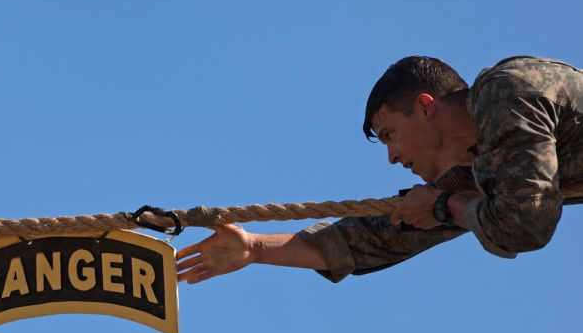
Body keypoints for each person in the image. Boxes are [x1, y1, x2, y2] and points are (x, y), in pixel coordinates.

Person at [176, 56, 583, 284]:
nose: (391, 157)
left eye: (390, 134)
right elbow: (367, 239)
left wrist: (444, 207)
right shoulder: (473, 178)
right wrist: (255, 248)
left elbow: (525, 226)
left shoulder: (505, 92)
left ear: (425, 107)